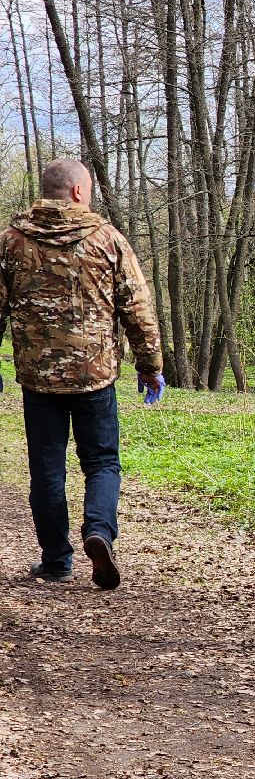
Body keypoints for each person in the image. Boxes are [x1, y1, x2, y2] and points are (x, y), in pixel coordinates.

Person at [0, 158, 165, 588]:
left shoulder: (11, 243)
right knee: (102, 462)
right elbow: (138, 309)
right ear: (77, 192)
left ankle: (56, 560)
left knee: (47, 469)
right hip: (95, 376)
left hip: (39, 381)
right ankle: (98, 532)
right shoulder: (107, 240)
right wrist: (150, 367)